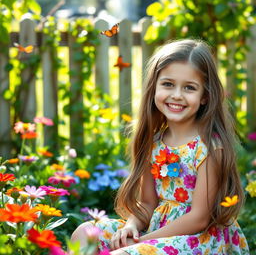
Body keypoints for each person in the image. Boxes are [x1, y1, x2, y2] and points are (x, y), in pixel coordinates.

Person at [71, 39, 249, 254]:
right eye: (168, 84)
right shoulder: (153, 143)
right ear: (154, 86)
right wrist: (131, 227)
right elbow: (147, 204)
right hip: (157, 232)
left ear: (205, 96)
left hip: (199, 239)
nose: (176, 95)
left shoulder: (209, 147)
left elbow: (199, 218)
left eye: (189, 88)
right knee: (85, 232)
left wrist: (142, 242)